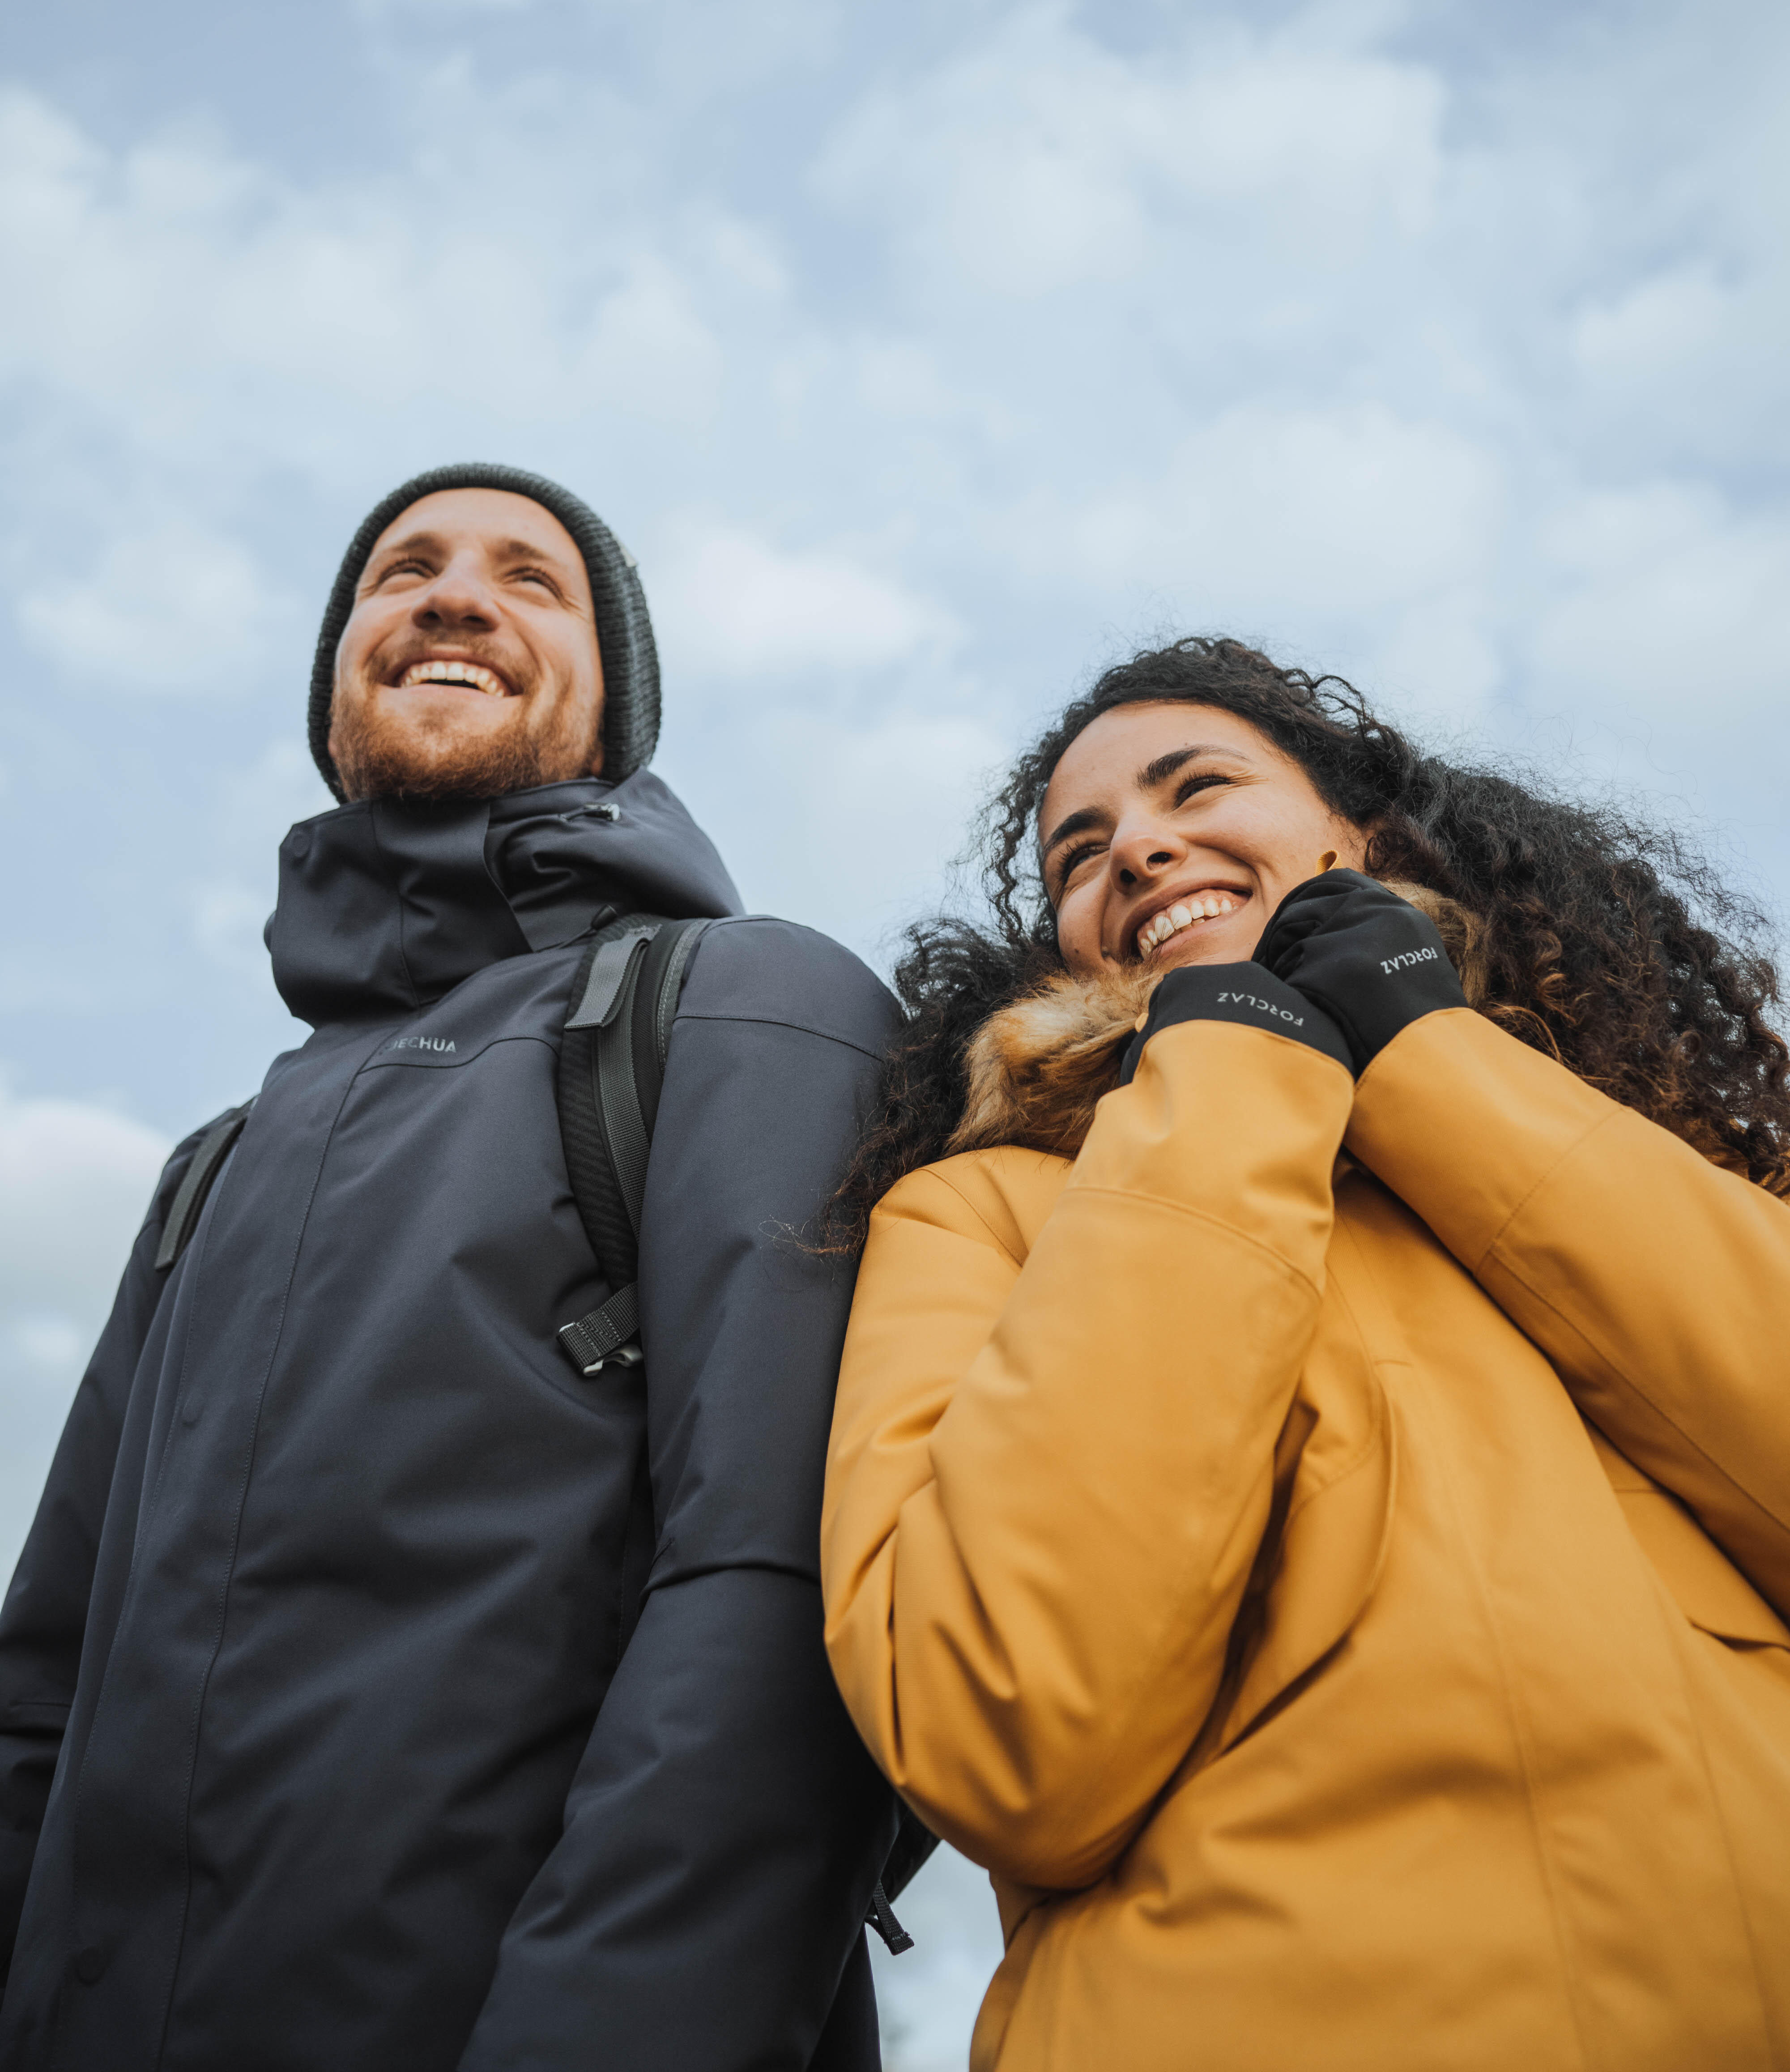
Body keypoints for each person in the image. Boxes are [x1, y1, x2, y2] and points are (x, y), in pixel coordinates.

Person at [0, 464, 899, 2072]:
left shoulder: (752, 1008)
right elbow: (40, 1698)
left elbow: (780, 1602)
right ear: (338, 684)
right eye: (400, 572)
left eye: (529, 581)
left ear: (617, 718)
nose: (454, 596)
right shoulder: (214, 1164)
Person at [821, 635, 1790, 2072]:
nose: (1139, 851)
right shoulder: (980, 1216)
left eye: (1195, 786)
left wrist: (1427, 1062)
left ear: (1361, 839)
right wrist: (1237, 1061)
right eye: (1081, 855)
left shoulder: (1661, 1149)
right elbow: (1009, 1731)